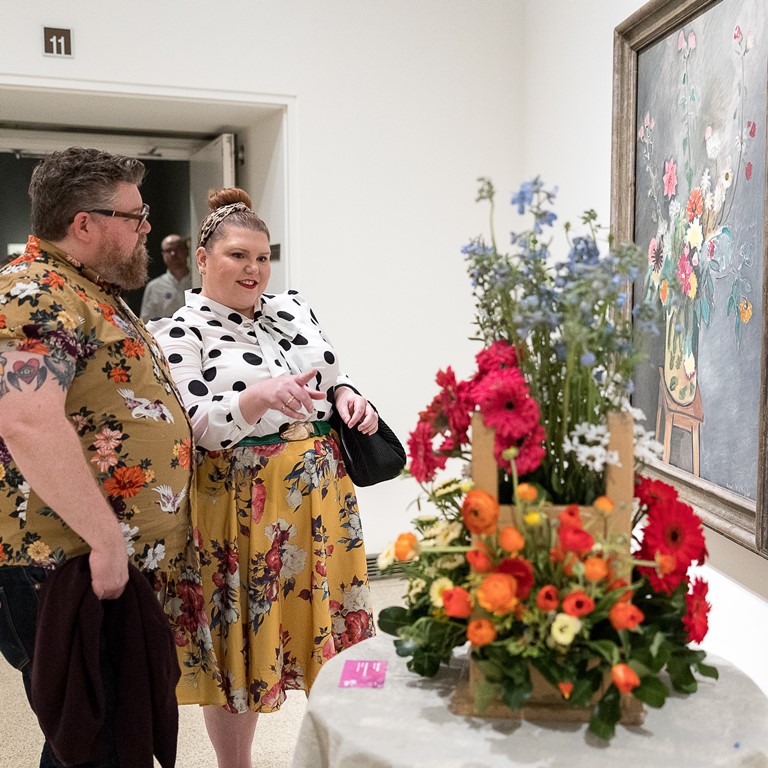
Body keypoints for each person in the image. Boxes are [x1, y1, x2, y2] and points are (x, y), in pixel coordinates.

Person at [148, 187, 378, 768]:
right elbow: (195, 425)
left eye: (262, 256)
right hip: (244, 507)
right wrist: (254, 400)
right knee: (243, 642)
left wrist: (351, 398)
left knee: (335, 626)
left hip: (322, 496)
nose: (253, 269)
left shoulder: (294, 308)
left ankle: (344, 752)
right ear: (203, 260)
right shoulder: (177, 331)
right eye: (237, 256)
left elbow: (333, 372)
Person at [0, 146, 195, 767]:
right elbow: (25, 418)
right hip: (60, 558)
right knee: (92, 736)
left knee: (102, 731)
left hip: (92, 555)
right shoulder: (35, 291)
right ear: (84, 222)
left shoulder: (84, 290)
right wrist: (108, 541)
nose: (145, 228)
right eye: (133, 216)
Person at [139, 233, 192, 320]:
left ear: (186, 250)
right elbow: (146, 322)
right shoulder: (154, 287)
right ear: (163, 255)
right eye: (168, 250)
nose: (173, 253)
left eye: (178, 248)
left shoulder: (199, 282)